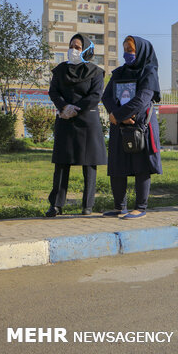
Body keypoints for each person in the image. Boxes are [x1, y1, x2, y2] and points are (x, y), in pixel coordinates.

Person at [101, 36, 162, 219]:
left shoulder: (149, 72)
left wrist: (119, 115)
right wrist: (118, 117)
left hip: (141, 125)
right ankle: (120, 207)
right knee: (117, 165)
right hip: (120, 125)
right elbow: (107, 96)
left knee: (141, 165)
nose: (128, 54)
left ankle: (140, 207)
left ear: (141, 51)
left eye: (131, 50)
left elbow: (143, 99)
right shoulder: (119, 72)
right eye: (126, 50)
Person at [46, 33, 106, 217]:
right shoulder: (60, 70)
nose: (73, 50)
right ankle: (56, 205)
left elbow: (95, 95)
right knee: (62, 164)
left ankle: (87, 206)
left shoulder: (95, 72)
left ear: (86, 50)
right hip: (65, 119)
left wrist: (76, 108)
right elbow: (53, 91)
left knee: (89, 164)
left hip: (87, 121)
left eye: (78, 47)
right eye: (71, 46)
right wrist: (65, 107)